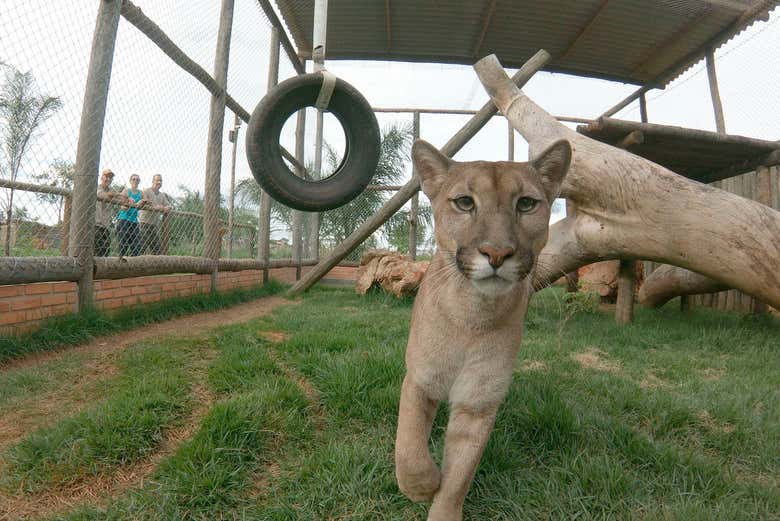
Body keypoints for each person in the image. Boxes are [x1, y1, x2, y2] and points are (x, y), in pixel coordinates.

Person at [139, 174, 171, 254]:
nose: (159, 182)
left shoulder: (162, 195)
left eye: (160, 180)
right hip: (144, 223)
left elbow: (169, 205)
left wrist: (166, 208)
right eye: (157, 180)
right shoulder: (146, 191)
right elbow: (145, 202)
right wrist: (157, 207)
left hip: (154, 225)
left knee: (157, 250)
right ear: (153, 181)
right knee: (141, 249)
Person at [116, 174, 145, 256]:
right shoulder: (126, 191)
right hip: (124, 219)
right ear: (130, 181)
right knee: (123, 244)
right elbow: (122, 207)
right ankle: (121, 262)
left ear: (139, 182)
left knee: (136, 246)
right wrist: (128, 201)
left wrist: (142, 202)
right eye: (133, 179)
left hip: (134, 221)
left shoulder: (141, 193)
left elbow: (147, 202)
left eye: (137, 180)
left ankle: (133, 264)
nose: (135, 181)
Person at [94, 168, 117, 256]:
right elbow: (102, 195)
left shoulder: (112, 190)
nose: (108, 179)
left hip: (106, 226)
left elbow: (121, 197)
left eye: (110, 177)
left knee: (106, 252)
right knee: (97, 252)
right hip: (95, 225)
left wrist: (128, 198)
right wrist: (115, 195)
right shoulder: (97, 187)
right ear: (101, 177)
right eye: (106, 176)